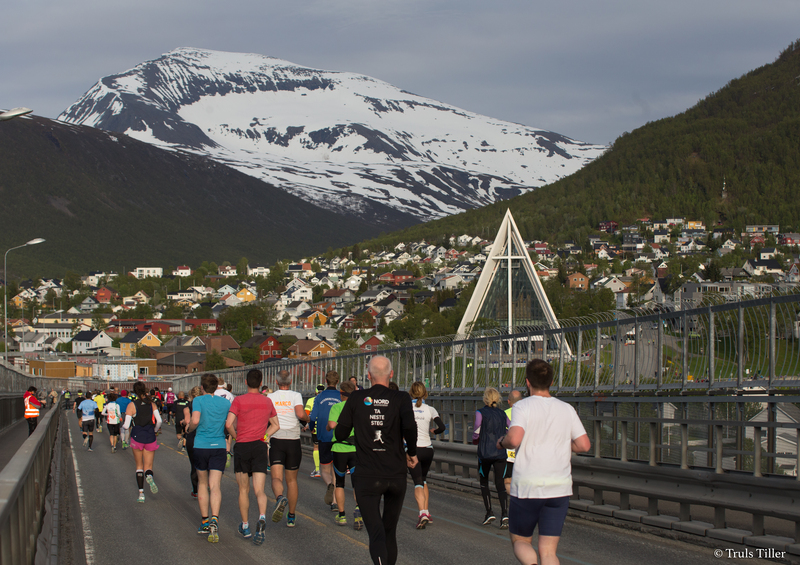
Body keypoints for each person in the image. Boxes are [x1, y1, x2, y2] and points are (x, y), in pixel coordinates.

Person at [497, 359, 591, 565]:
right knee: (548, 551)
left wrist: (501, 443)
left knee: (521, 540)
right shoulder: (566, 409)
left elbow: (514, 439)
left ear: (528, 382)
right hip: (559, 488)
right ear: (552, 381)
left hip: (529, 487)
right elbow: (584, 445)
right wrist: (564, 445)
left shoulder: (523, 406)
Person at [334, 356, 418, 565]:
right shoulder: (401, 398)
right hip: (395, 474)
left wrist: (360, 433)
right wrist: (412, 452)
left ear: (368, 375)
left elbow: (341, 433)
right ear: (391, 375)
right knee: (389, 532)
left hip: (367, 474)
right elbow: (409, 427)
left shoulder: (356, 398)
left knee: (376, 534)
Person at [225, 369, 280, 545]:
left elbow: (228, 424)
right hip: (259, 446)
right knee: (259, 490)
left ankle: (246, 526)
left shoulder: (239, 400)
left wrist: (236, 436)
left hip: (242, 445)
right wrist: (265, 436)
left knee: (243, 490)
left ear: (246, 382)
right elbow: (276, 425)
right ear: (260, 381)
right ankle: (262, 516)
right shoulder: (267, 401)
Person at [187, 374, 231, 543]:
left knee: (203, 483)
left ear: (202, 387)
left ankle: (205, 521)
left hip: (201, 445)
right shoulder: (226, 403)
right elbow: (230, 423)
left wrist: (190, 429)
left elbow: (195, 420)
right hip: (219, 445)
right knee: (215, 485)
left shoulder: (198, 400)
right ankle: (215, 519)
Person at [267, 370, 309, 527]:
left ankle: (279, 497)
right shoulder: (295, 395)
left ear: (276, 382)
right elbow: (300, 414)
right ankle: (291, 516)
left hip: (276, 438)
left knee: (276, 478)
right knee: (291, 480)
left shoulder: (270, 397)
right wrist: (307, 418)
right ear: (291, 382)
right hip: (292, 439)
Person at [325, 381, 363, 529]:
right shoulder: (359, 407)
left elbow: (332, 425)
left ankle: (341, 515)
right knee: (356, 482)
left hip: (340, 448)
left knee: (339, 482)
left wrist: (328, 426)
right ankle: (359, 510)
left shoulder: (337, 407)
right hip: (355, 449)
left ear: (341, 393)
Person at [408, 381, 446, 529]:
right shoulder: (430, 409)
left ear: (410, 393)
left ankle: (422, 513)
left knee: (417, 481)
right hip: (428, 449)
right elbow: (442, 427)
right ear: (425, 394)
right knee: (423, 480)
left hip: (414, 449)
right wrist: (434, 432)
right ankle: (427, 512)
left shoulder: (407, 408)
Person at [473, 386, 510, 527]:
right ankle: (505, 514)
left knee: (484, 481)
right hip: (500, 453)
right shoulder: (502, 414)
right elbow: (511, 427)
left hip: (485, 453)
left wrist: (475, 438)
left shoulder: (480, 412)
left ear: (485, 399)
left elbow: (477, 429)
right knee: (500, 483)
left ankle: (489, 512)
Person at [123, 382, 162, 502]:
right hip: (150, 435)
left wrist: (125, 429)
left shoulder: (132, 405)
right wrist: (154, 430)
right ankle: (149, 475)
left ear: (134, 391)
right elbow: (159, 421)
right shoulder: (152, 404)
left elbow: (126, 425)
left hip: (137, 436)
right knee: (148, 466)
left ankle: (141, 494)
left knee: (139, 466)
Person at [309, 370, 342, 510]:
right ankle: (334, 501)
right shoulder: (341, 396)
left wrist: (311, 427)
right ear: (338, 381)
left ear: (326, 380)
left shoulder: (320, 397)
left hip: (323, 436)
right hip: (339, 437)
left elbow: (312, 417)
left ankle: (329, 484)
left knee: (324, 469)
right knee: (336, 470)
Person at [183, 386, 202, 498]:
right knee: (205, 463)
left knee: (193, 465)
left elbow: (187, 421)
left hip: (192, 436)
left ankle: (195, 490)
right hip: (203, 435)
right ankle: (207, 484)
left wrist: (187, 426)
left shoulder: (188, 407)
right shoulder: (205, 405)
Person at [504, 390, 524, 495]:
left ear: (508, 401)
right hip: (525, 452)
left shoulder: (505, 414)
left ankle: (513, 498)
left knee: (508, 479)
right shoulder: (527, 412)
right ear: (521, 400)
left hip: (509, 452)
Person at [215, 378, 235, 468]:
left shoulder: (213, 393)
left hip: (216, 419)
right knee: (226, 438)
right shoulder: (229, 394)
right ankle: (227, 452)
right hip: (226, 418)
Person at [305, 384, 325, 478]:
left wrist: (307, 425)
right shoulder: (327, 400)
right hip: (326, 427)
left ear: (316, 391)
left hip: (315, 427)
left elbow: (306, 414)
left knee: (316, 447)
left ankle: (317, 470)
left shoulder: (311, 400)